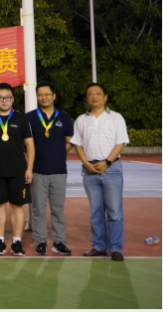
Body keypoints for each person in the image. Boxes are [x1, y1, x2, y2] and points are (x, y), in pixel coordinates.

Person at [72, 83, 129, 262]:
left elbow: (121, 142)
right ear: (86, 98)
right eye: (90, 94)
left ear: (105, 97)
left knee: (114, 212)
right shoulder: (81, 120)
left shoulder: (116, 118)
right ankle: (98, 246)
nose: (94, 97)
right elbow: (77, 144)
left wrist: (107, 162)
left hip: (111, 169)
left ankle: (116, 248)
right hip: (90, 172)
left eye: (98, 93)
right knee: (96, 212)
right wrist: (86, 163)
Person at [0, 83, 34, 256]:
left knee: (18, 206)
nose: (4, 100)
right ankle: (0, 241)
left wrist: (29, 168)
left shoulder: (21, 119)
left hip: (18, 170)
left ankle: (17, 242)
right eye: (0, 97)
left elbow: (30, 145)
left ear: (13, 99)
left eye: (7, 97)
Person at [26, 81, 73, 256]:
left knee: (58, 209)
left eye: (47, 94)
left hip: (59, 171)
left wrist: (59, 152)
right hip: (37, 171)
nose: (44, 97)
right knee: (38, 209)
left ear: (54, 96)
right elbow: (25, 143)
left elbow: (70, 141)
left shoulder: (64, 118)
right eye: (40, 95)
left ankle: (59, 242)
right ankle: (40, 242)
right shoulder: (30, 118)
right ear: (37, 97)